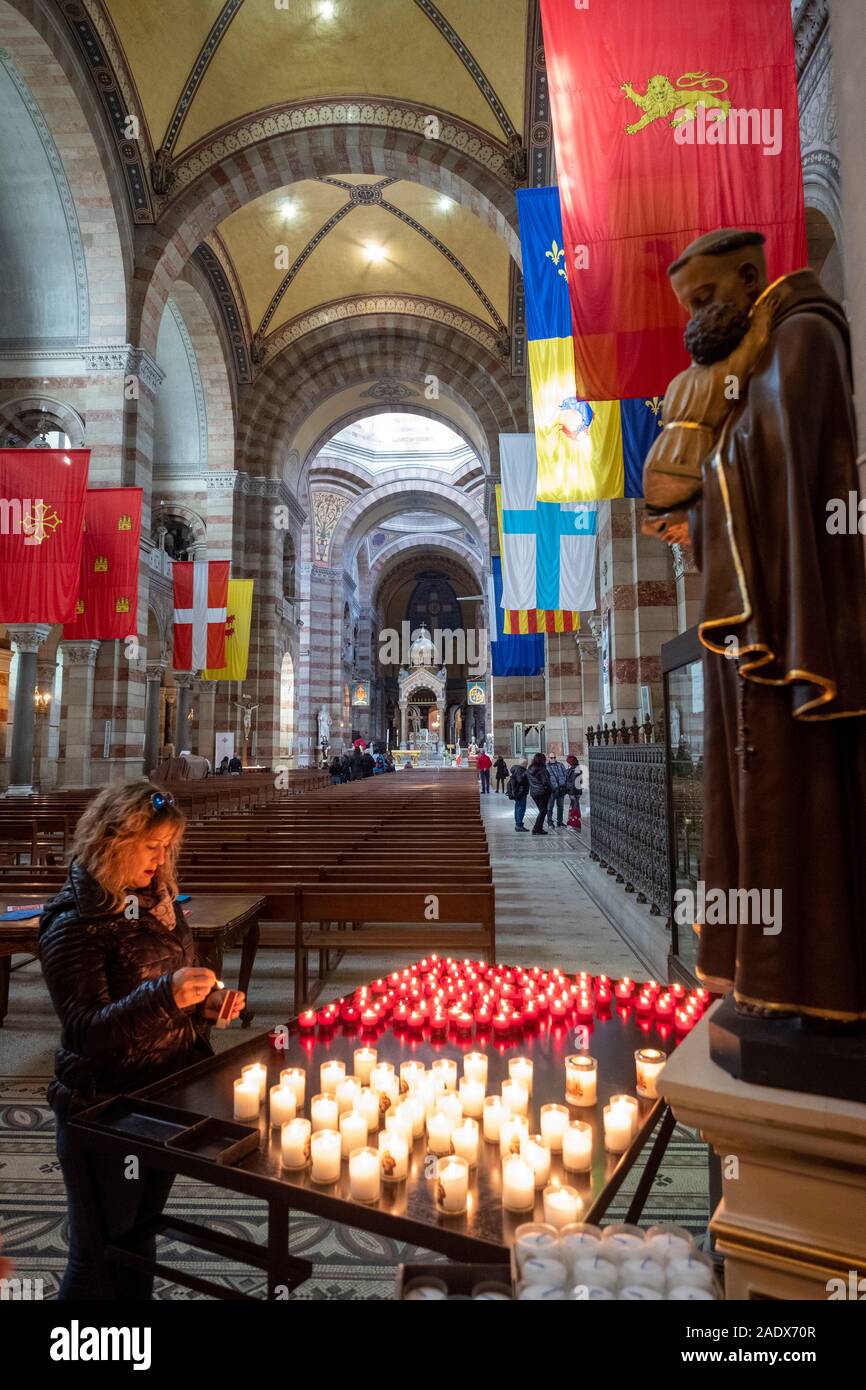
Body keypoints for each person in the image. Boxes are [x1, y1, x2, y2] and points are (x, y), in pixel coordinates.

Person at [652, 227, 866, 1019]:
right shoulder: (754, 360)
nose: (695, 318)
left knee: (796, 794)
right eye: (688, 305)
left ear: (751, 278)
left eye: (707, 298)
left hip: (788, 615)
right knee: (756, 796)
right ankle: (769, 971)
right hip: (755, 616)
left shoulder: (803, 336)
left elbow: (781, 468)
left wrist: (700, 454)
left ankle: (811, 977)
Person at [38, 784, 244, 1300]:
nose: (161, 857)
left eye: (167, 845)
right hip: (102, 1110)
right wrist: (166, 997)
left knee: (137, 1244)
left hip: (159, 1103)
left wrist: (206, 1008)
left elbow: (169, 993)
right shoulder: (74, 922)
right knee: (96, 1258)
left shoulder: (158, 903)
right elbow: (86, 1031)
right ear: (113, 840)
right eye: (150, 845)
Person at [527, 752, 552, 835]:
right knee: (543, 811)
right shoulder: (542, 769)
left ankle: (538, 828)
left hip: (534, 793)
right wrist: (552, 789)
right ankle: (537, 828)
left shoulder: (530, 768)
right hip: (542, 792)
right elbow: (545, 782)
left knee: (542, 811)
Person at [546, 753, 568, 828]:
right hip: (552, 790)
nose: (553, 759)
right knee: (550, 807)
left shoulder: (560, 765)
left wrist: (564, 783)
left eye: (554, 757)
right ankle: (549, 822)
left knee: (560, 806)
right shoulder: (546, 766)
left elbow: (565, 774)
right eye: (551, 757)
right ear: (548, 758)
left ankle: (560, 822)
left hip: (561, 788)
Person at [509, 756, 529, 831]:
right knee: (521, 808)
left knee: (518, 807)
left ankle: (518, 823)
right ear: (524, 763)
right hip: (521, 792)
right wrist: (525, 776)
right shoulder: (520, 770)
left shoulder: (516, 769)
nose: (527, 765)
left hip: (517, 792)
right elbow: (520, 780)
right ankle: (519, 824)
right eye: (526, 763)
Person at [565, 755, 583, 829]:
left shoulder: (576, 769)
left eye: (568, 762)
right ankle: (573, 823)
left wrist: (572, 793)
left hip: (574, 792)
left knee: (575, 807)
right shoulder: (574, 768)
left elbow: (574, 782)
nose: (567, 763)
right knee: (574, 807)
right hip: (574, 791)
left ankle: (575, 824)